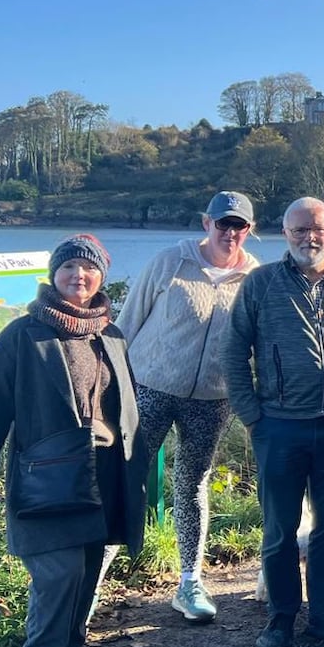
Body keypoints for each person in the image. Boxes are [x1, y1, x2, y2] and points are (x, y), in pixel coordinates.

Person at [0, 235, 148, 647]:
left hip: (104, 470)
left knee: (88, 567)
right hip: (47, 473)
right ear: (53, 273)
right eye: (68, 267)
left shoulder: (110, 333)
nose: (78, 276)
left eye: (88, 269)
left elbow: (123, 406)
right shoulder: (22, 336)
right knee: (59, 570)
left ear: (101, 277)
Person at [225, 196, 324, 647]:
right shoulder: (260, 285)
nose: (308, 238)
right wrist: (252, 415)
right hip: (278, 426)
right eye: (298, 230)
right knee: (279, 528)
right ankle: (280, 619)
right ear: (285, 234)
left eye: (317, 230)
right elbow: (234, 352)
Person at [116, 190, 260, 623]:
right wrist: (114, 385)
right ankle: (92, 578)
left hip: (213, 399)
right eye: (222, 224)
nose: (229, 233)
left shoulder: (256, 277)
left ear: (249, 231)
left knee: (192, 484)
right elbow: (127, 323)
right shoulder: (169, 262)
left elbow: (258, 342)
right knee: (126, 475)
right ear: (206, 223)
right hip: (150, 387)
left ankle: (190, 581)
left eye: (238, 226)